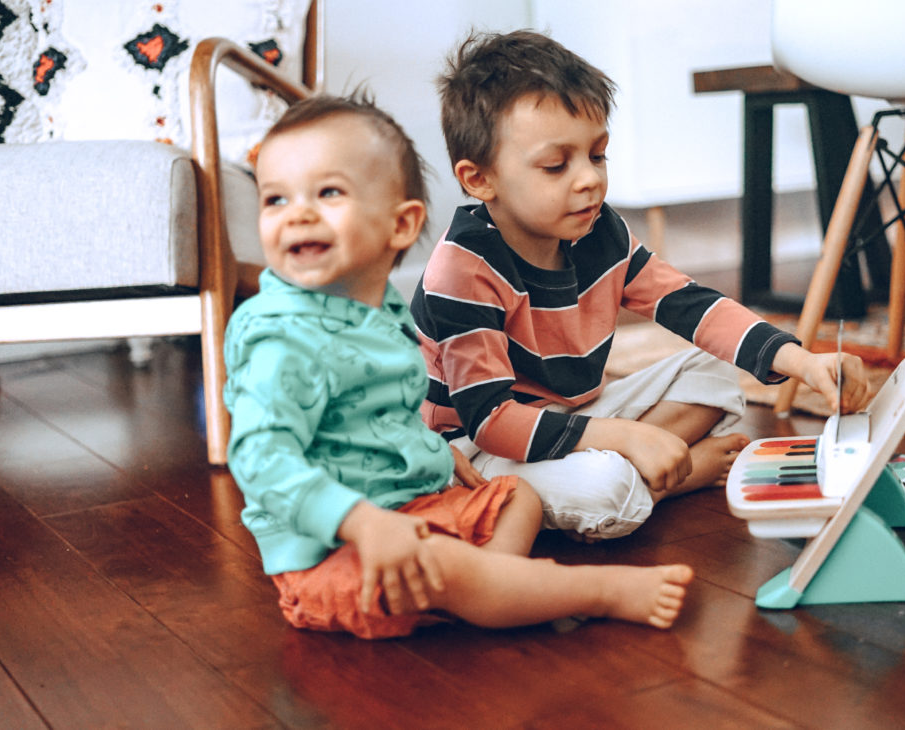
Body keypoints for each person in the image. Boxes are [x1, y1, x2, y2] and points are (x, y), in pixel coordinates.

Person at [223, 92, 694, 639]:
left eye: (328, 193)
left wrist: (432, 450)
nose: (297, 213)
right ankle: (593, 591)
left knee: (518, 498)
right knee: (442, 567)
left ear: (400, 226)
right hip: (333, 552)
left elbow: (379, 416)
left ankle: (493, 592)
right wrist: (363, 522)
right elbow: (261, 459)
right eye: (275, 199)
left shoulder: (378, 309)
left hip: (411, 508)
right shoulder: (279, 338)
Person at [411, 30, 870, 542]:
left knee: (719, 368)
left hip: (575, 417)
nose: (588, 179)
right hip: (479, 452)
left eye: (597, 155)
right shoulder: (461, 270)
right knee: (602, 489)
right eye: (556, 165)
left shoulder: (598, 231)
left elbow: (691, 305)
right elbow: (492, 420)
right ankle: (671, 476)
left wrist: (804, 363)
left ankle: (642, 469)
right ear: (479, 180)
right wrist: (626, 436)